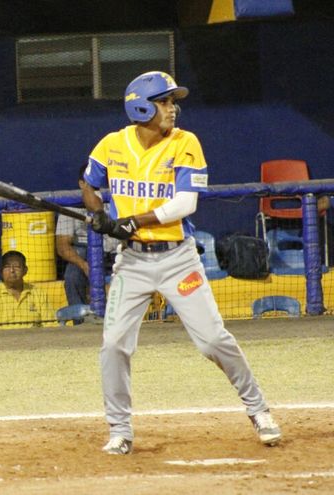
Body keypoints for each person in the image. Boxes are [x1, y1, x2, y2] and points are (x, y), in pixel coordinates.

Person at [82, 71, 281, 455]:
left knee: (212, 340)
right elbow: (88, 182)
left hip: (178, 260)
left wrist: (133, 221)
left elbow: (185, 204)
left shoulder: (185, 143)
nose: (173, 109)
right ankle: (120, 431)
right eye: (164, 102)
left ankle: (259, 410)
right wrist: (98, 213)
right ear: (141, 107)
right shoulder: (112, 144)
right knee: (113, 345)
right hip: (132, 263)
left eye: (172, 102)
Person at [55, 166, 120, 307]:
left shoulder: (117, 200)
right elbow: (62, 246)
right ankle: (80, 317)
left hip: (116, 251)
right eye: (93, 182)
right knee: (72, 276)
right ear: (81, 184)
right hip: (85, 254)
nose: (98, 186)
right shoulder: (71, 205)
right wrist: (83, 265)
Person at [0, 250, 55, 331]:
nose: (12, 270)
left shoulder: (38, 294)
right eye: (7, 267)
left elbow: (51, 326)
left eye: (17, 266)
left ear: (25, 270)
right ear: (1, 271)